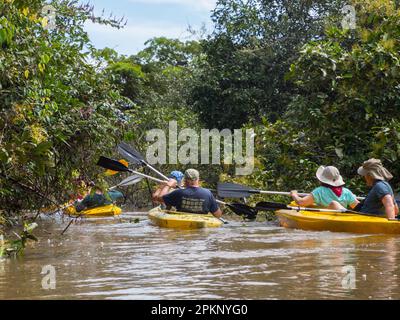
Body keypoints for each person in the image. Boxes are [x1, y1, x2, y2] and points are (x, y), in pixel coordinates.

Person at [152, 169, 223, 218]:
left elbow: (159, 198)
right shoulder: (208, 193)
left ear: (185, 180)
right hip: (201, 221)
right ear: (198, 179)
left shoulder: (178, 192)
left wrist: (168, 185)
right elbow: (218, 215)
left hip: (182, 221)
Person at [290, 166, 359, 210]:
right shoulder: (347, 192)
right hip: (341, 217)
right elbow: (358, 208)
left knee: (334, 204)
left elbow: (301, 202)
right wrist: (353, 198)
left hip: (328, 219)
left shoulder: (319, 191)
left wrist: (294, 194)